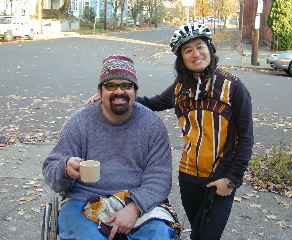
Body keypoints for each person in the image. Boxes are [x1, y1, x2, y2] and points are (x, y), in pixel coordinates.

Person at [86, 24, 254, 240]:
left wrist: (232, 179)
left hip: (220, 177)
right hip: (189, 177)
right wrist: (113, 96)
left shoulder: (233, 88)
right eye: (188, 50)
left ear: (210, 49)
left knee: (208, 236)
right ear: (181, 58)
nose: (196, 54)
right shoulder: (180, 88)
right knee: (196, 231)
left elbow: (246, 137)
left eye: (200, 47)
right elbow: (152, 102)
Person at [43, 55, 181, 240]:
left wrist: (134, 208)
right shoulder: (80, 122)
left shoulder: (152, 125)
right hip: (84, 200)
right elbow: (51, 168)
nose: (119, 91)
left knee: (160, 235)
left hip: (137, 199)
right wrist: (65, 168)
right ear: (100, 92)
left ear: (134, 91)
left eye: (126, 85)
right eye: (110, 86)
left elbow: (160, 177)